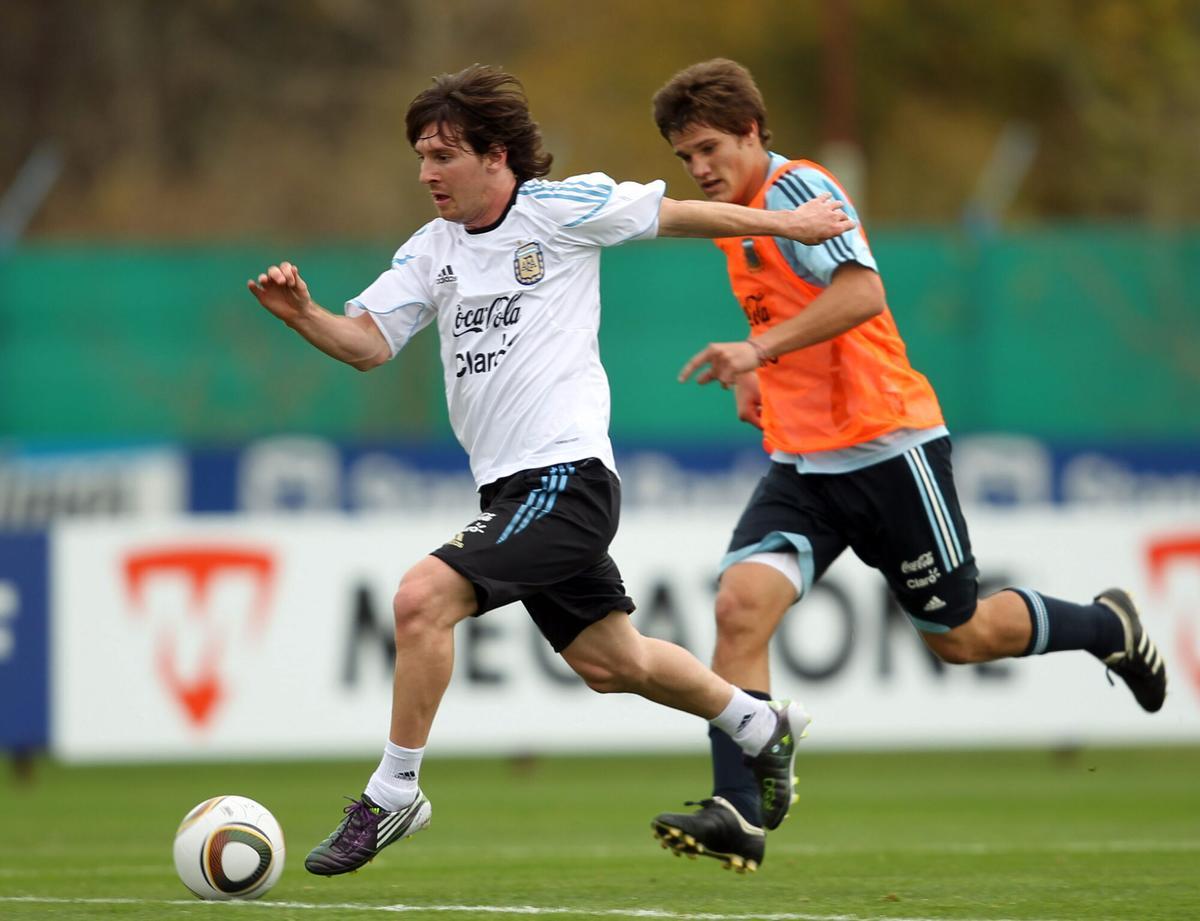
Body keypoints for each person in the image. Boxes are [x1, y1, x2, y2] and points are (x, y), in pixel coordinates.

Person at [246, 64, 855, 877]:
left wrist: (791, 224)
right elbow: (368, 344)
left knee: (421, 598)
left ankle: (394, 793)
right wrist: (303, 315)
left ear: (496, 155)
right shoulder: (431, 250)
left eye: (443, 155)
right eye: (421, 157)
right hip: (510, 489)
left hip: (566, 478)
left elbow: (678, 214)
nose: (427, 173)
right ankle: (759, 724)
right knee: (614, 663)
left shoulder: (560, 209)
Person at [647, 58, 1168, 874]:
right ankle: (738, 810)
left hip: (890, 446)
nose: (699, 168)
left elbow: (862, 293)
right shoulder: (734, 220)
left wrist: (759, 349)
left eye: (709, 148)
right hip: (805, 463)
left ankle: (1108, 625)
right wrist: (755, 366)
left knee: (960, 636)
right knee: (739, 606)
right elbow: (781, 304)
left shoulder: (797, 190)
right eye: (686, 158)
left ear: (751, 130)